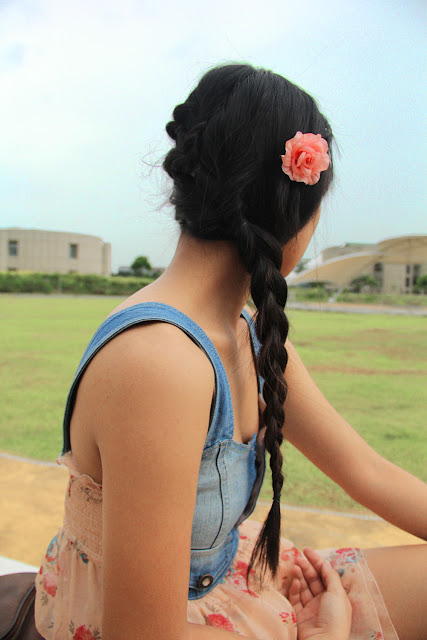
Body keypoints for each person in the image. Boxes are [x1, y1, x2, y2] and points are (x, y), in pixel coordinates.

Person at [34, 63, 427, 640]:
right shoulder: (160, 363)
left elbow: (365, 470)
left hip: (230, 582)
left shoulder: (249, 335)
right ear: (297, 208)